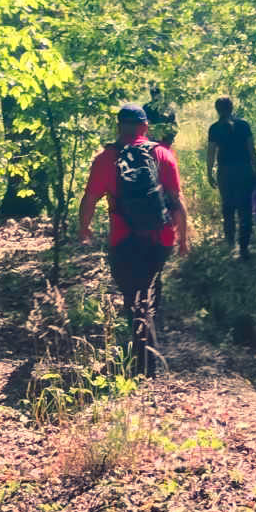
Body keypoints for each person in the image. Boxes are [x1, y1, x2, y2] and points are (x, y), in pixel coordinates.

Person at [78, 104, 191, 377]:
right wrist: (183, 238)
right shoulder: (163, 154)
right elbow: (177, 201)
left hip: (124, 237)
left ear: (119, 126)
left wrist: (84, 228)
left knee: (134, 298)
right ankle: (148, 339)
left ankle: (144, 367)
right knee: (149, 286)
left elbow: (90, 199)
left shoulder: (106, 158)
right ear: (145, 127)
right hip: (160, 236)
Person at [206, 95, 256, 259]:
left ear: (217, 110)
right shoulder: (243, 125)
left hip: (225, 172)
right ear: (232, 108)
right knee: (245, 207)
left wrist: (209, 173)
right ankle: (244, 248)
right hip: (244, 170)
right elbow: (252, 150)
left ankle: (230, 243)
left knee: (228, 206)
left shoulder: (214, 128)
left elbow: (211, 154)